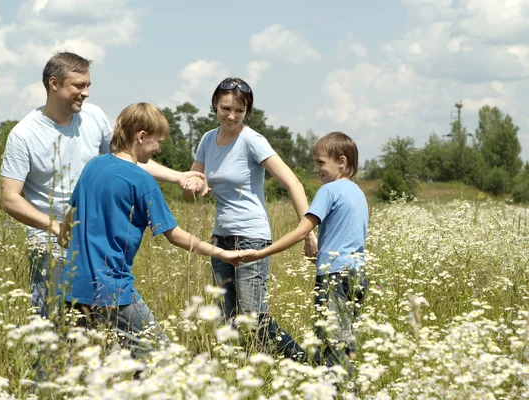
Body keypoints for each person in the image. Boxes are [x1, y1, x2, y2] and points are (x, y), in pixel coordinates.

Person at [0, 52, 205, 319]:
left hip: (98, 244)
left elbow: (127, 160)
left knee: (99, 329)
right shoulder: (24, 134)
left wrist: (178, 177)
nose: (85, 93)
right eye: (78, 86)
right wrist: (54, 226)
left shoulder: (93, 117)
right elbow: (9, 198)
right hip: (51, 246)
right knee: (51, 332)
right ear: (54, 83)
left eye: (88, 86)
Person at [56, 102, 243, 356]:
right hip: (113, 290)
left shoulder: (93, 166)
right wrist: (223, 254)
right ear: (141, 137)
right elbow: (175, 235)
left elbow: (70, 219)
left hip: (72, 287)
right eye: (159, 142)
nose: (159, 149)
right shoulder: (141, 179)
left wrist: (67, 240)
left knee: (75, 366)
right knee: (160, 357)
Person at [184, 77, 317, 361]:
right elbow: (190, 188)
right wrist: (196, 187)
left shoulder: (252, 140)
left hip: (251, 238)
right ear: (214, 106)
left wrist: (308, 233)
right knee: (226, 317)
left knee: (254, 316)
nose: (231, 116)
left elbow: (294, 184)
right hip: (220, 239)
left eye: (239, 111)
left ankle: (308, 363)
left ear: (247, 111)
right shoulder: (207, 140)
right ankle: (232, 371)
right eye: (225, 109)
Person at [240, 131, 368, 372]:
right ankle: (346, 388)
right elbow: (348, 239)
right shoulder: (358, 193)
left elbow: (302, 231)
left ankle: (331, 389)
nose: (316, 169)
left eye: (321, 162)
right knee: (347, 343)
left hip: (333, 278)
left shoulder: (329, 191)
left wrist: (261, 253)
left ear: (341, 161)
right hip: (357, 275)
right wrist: (320, 257)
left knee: (331, 343)